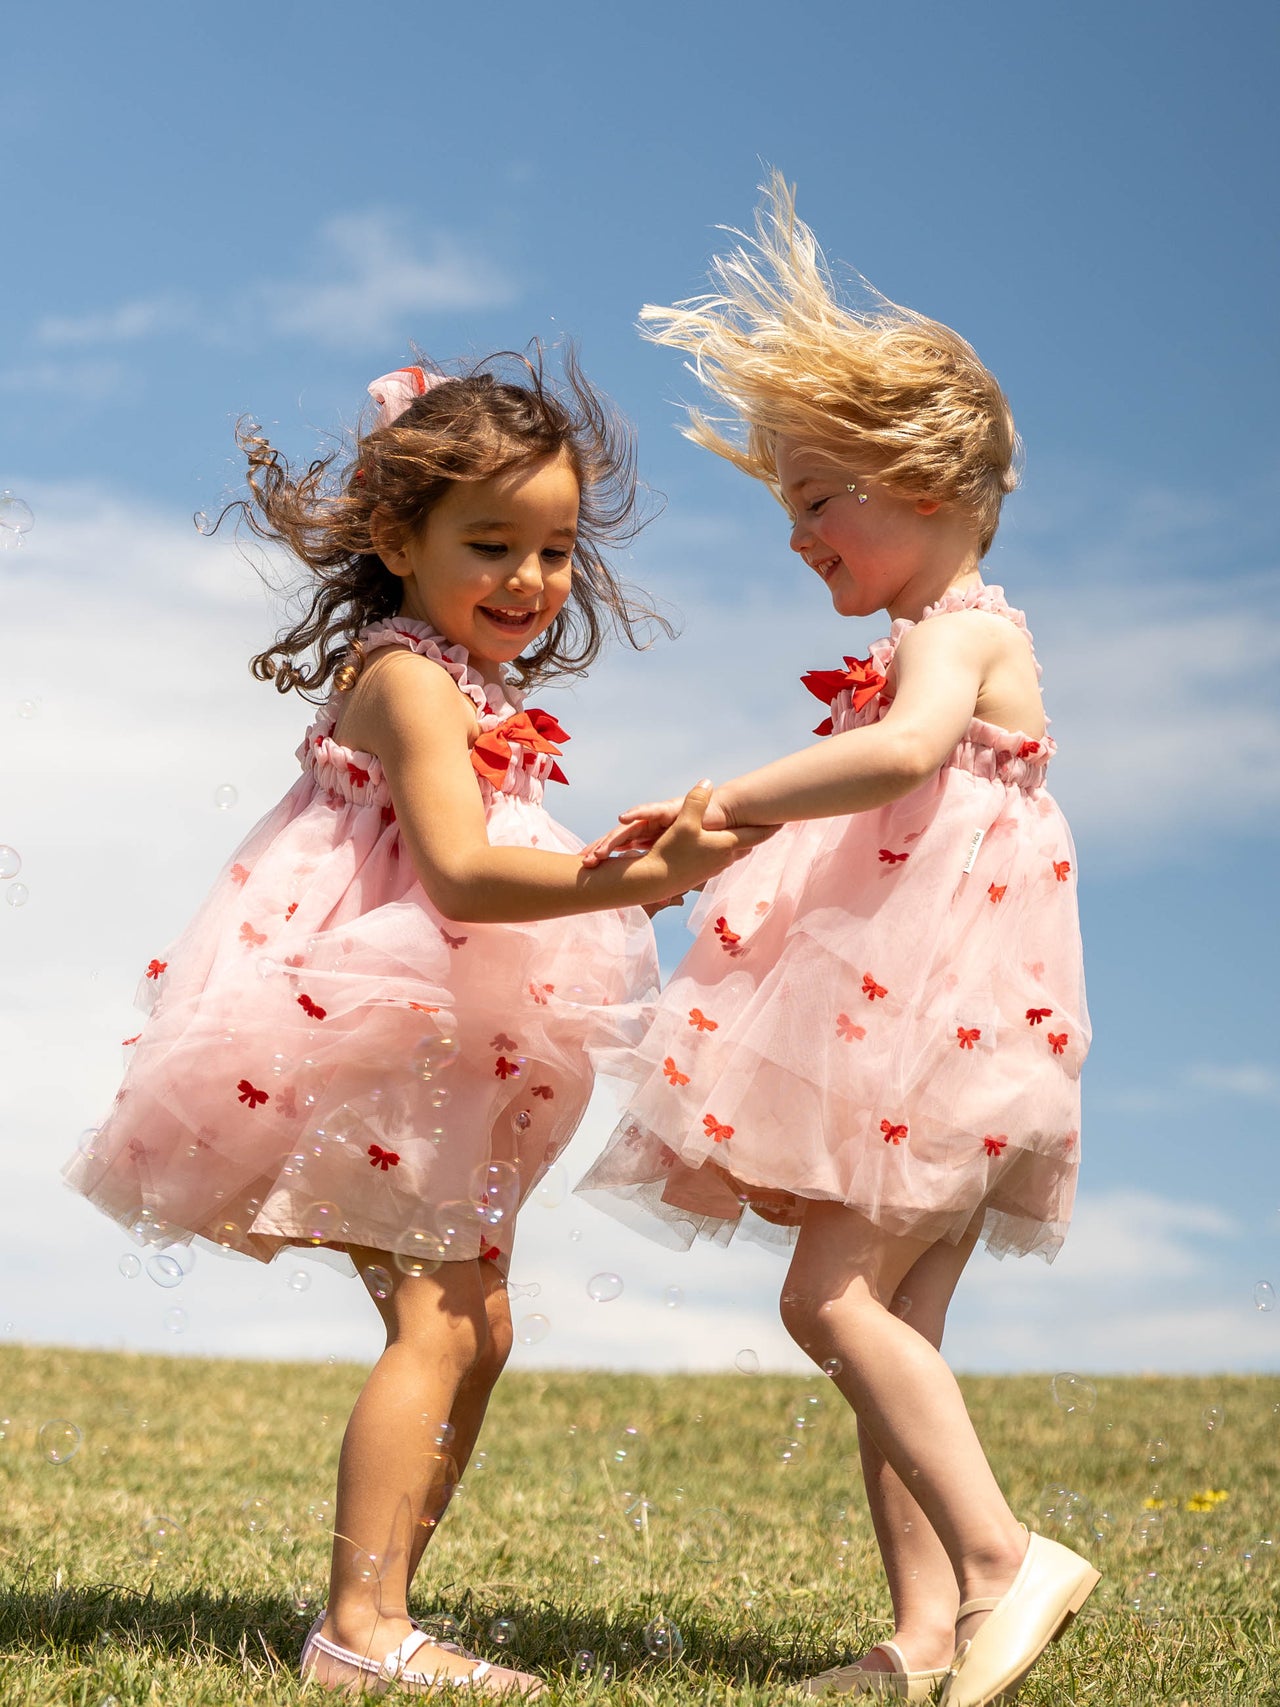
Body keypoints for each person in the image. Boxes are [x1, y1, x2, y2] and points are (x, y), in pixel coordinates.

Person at [65, 353, 768, 1696]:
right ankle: (361, 1631)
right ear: (400, 540)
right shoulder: (406, 678)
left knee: (474, 1325)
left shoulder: (459, 679)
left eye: (555, 549)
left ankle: (384, 1606)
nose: (530, 578)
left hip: (453, 1023)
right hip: (383, 1012)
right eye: (490, 544)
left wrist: (627, 857)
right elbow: (453, 872)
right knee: (443, 1320)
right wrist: (650, 877)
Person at [577, 179, 1099, 1707]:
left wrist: (730, 793)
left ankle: (1010, 1567)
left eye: (819, 497)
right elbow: (871, 787)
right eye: (789, 504)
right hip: (927, 1029)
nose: (797, 532)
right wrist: (705, 839)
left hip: (934, 1032)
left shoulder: (958, 637)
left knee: (828, 1306)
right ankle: (925, 1640)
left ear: (924, 482)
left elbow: (895, 761)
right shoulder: (917, 645)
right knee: (894, 1338)